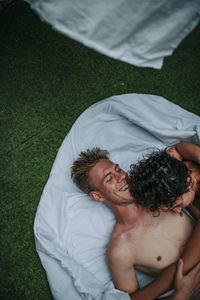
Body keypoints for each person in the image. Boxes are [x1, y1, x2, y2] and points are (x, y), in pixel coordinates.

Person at [71, 144, 200, 300]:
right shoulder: (120, 250)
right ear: (98, 196)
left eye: (118, 169)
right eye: (109, 179)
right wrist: (178, 296)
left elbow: (177, 150)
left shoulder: (156, 186)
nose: (121, 177)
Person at [129, 142, 200, 217]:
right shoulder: (171, 167)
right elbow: (176, 149)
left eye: (178, 205)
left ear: (189, 182)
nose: (178, 210)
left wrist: (190, 206)